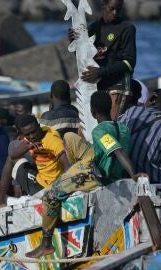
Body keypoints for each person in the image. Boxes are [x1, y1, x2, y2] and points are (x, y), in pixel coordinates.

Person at [25, 91, 142, 258]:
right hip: (97, 159)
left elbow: (118, 151)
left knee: (50, 196)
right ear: (110, 107)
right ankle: (71, 173)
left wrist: (134, 175)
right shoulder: (122, 127)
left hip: (98, 175)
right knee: (69, 137)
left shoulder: (99, 131)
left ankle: (46, 244)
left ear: (93, 112)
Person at [0, 114, 71, 210]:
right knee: (11, 157)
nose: (32, 136)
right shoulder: (29, 139)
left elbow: (68, 167)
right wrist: (27, 146)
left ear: (39, 126)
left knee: (13, 158)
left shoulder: (52, 140)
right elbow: (13, 156)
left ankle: (0, 199)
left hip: (51, 188)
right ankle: (0, 199)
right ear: (21, 134)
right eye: (28, 134)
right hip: (39, 181)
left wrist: (57, 192)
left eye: (34, 132)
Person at [70, 0, 136, 118]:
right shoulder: (93, 28)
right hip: (98, 85)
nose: (115, 12)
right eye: (112, 8)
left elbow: (130, 62)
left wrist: (100, 72)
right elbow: (83, 58)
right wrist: (74, 42)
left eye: (118, 9)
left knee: (109, 125)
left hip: (118, 85)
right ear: (103, 6)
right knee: (86, 129)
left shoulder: (127, 28)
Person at [119, 89, 161, 184]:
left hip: (123, 172)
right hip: (148, 180)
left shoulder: (133, 112)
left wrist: (146, 103)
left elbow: (118, 128)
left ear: (153, 98)